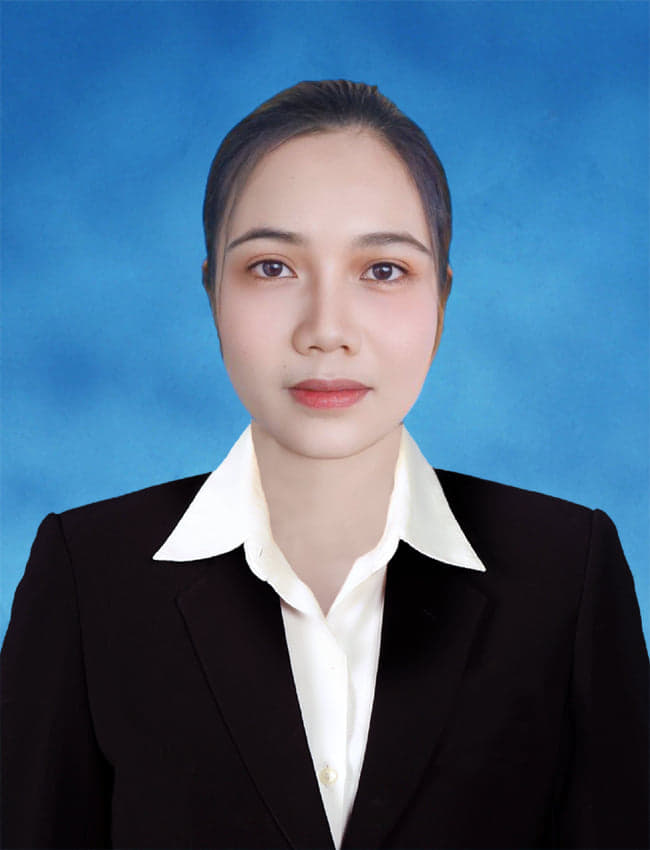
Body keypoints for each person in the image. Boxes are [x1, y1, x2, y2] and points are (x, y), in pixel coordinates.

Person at [1, 79, 647, 850]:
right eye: (273, 267)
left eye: (383, 270)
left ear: (442, 300)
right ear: (212, 292)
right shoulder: (87, 576)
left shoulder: (568, 573)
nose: (326, 330)